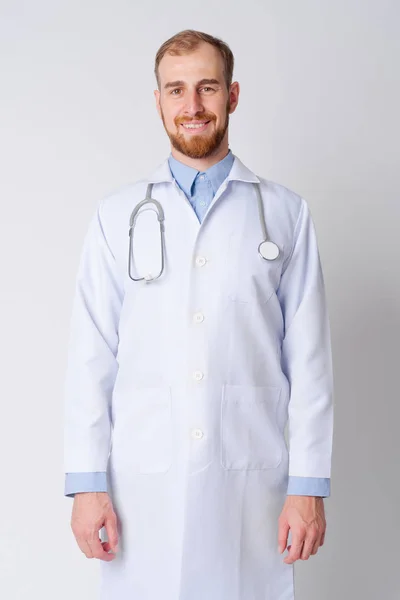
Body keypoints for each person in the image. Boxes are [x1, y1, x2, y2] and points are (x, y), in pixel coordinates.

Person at [63, 29, 334, 600]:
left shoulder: (284, 214)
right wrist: (87, 485)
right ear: (157, 100)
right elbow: (91, 360)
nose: (192, 106)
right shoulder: (117, 216)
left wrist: (308, 486)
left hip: (251, 484)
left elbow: (310, 363)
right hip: (141, 487)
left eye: (207, 88)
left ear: (232, 96)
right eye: (176, 90)